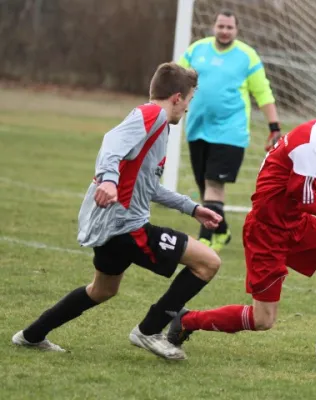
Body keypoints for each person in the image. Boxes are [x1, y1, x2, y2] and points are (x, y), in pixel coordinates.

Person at [12, 62, 222, 361]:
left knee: (102, 290)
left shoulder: (157, 127)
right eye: (188, 101)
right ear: (177, 97)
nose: (187, 109)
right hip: (126, 227)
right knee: (207, 263)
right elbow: (111, 144)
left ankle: (30, 336)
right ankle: (149, 331)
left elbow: (151, 188)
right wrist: (109, 180)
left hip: (112, 227)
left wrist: (193, 208)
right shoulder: (153, 115)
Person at [167, 86, 316, 348]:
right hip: (267, 232)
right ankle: (187, 320)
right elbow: (305, 199)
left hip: (295, 223)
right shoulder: (310, 143)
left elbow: (298, 199)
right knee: (263, 319)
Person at [178, 9, 281, 252]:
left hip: (230, 133)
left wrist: (274, 126)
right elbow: (176, 79)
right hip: (197, 129)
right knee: (205, 187)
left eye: (229, 28)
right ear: (214, 26)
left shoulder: (247, 56)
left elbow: (263, 92)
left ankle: (205, 238)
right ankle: (221, 232)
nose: (224, 31)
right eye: (221, 26)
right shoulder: (196, 50)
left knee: (214, 185)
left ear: (236, 30)